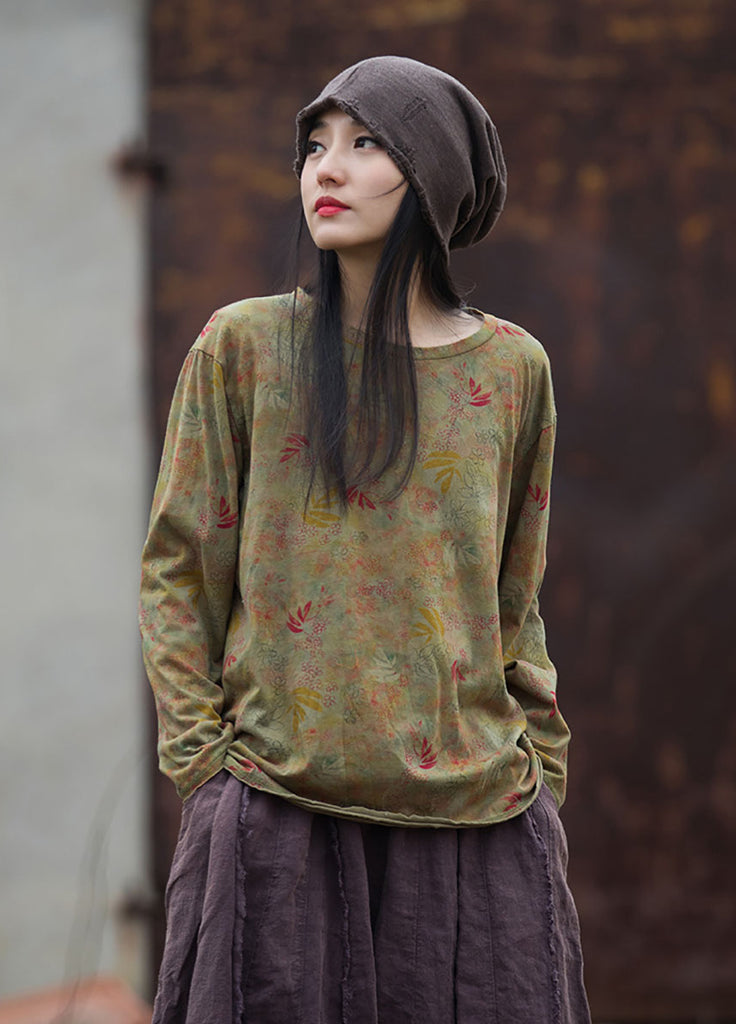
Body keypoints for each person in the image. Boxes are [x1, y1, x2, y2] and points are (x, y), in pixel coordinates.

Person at [140, 55, 591, 1024]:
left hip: (479, 823)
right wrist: (206, 772)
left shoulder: (513, 369)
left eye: (366, 143)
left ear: (432, 176)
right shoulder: (244, 347)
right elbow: (178, 570)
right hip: (276, 814)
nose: (327, 170)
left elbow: (515, 595)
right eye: (314, 147)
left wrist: (541, 771)